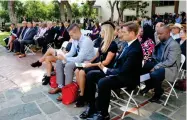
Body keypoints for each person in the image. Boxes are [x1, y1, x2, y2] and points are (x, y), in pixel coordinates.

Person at [79, 21, 143, 119]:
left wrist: (106, 70)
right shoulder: (128, 44)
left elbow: (123, 71)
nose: (120, 34)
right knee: (91, 75)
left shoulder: (135, 49)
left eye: (123, 32)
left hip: (128, 78)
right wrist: (107, 69)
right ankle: (92, 106)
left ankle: (103, 114)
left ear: (132, 33)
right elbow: (119, 64)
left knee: (103, 82)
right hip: (119, 73)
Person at [74, 21, 118, 107]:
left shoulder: (113, 45)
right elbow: (97, 55)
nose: (100, 32)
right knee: (76, 69)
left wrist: (91, 65)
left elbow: (106, 62)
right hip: (97, 64)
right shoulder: (102, 42)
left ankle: (83, 96)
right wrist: (90, 61)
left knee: (82, 72)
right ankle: (83, 92)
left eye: (102, 31)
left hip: (103, 67)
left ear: (106, 32)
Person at [140, 26, 181, 102]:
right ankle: (149, 85)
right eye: (157, 34)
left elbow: (170, 61)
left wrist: (156, 67)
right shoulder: (161, 42)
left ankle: (158, 92)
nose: (158, 36)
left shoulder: (173, 45)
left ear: (168, 33)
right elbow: (155, 55)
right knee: (143, 67)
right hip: (159, 63)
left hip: (169, 68)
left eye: (160, 34)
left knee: (155, 74)